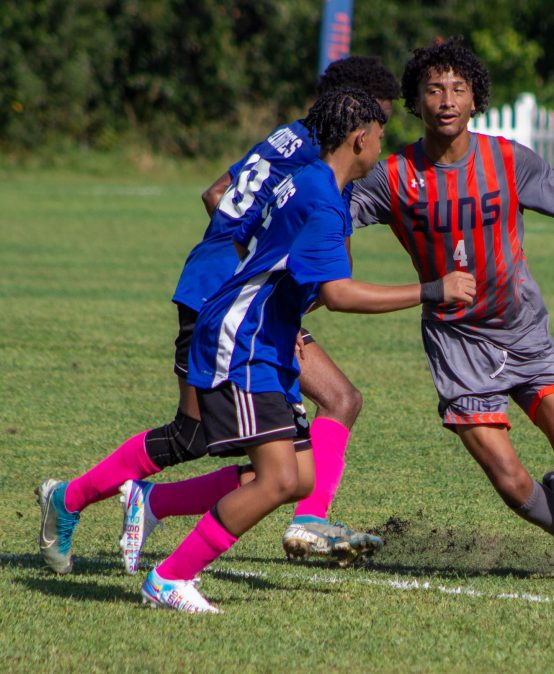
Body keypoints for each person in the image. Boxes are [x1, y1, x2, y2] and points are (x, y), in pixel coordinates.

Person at [36, 56, 402, 576]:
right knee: (200, 436)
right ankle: (74, 498)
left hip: (243, 297)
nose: (381, 132)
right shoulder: (318, 159)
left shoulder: (291, 138)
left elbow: (216, 193)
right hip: (226, 297)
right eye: (378, 117)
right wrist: (260, 287)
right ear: (352, 119)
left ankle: (303, 519)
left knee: (329, 408)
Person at [137, 87, 475, 613]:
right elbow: (339, 295)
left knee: (301, 477)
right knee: (276, 480)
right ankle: (169, 577)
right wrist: (433, 289)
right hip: (243, 341)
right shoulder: (320, 198)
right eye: (379, 137)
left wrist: (286, 308)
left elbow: (273, 255)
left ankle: (156, 507)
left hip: (266, 336)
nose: (381, 147)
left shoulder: (311, 182)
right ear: (359, 139)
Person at [351, 37, 554, 544]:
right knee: (511, 483)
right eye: (434, 89)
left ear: (475, 99)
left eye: (458, 89)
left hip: (523, 333)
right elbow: (328, 221)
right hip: (458, 346)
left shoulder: (510, 160)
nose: (446, 101)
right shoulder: (392, 176)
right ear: (415, 101)